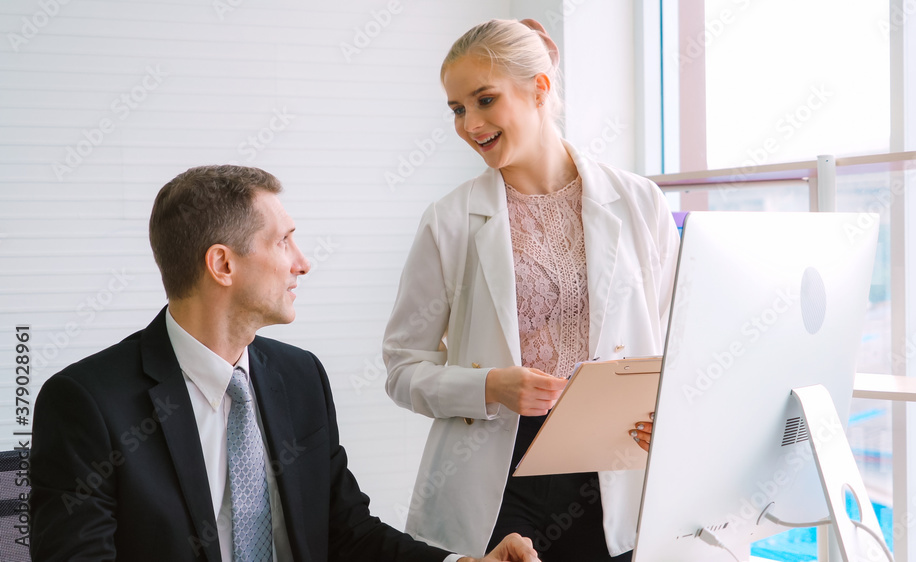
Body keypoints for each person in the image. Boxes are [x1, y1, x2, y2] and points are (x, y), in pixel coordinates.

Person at [29, 165, 539, 562]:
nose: (302, 261)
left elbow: (346, 531)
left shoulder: (300, 378)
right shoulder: (88, 402)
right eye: (283, 240)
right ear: (223, 264)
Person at [382, 19, 681, 561]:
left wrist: (669, 411)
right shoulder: (449, 221)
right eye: (456, 109)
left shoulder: (639, 202)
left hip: (614, 469)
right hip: (500, 475)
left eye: (484, 99)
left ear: (539, 88)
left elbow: (677, 345)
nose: (470, 123)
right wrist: (489, 387)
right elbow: (402, 370)